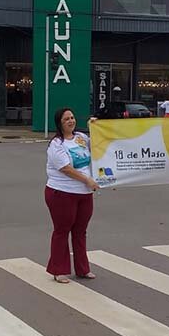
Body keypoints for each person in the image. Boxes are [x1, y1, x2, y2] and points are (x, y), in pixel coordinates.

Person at [45, 108, 99, 283]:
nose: (71, 121)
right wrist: (87, 180)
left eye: (73, 118)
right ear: (60, 123)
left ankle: (83, 269)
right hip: (62, 193)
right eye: (66, 119)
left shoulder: (81, 138)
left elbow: (99, 146)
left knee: (80, 231)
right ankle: (58, 270)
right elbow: (66, 169)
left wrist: (97, 127)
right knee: (62, 231)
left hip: (84, 193)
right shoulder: (56, 144)